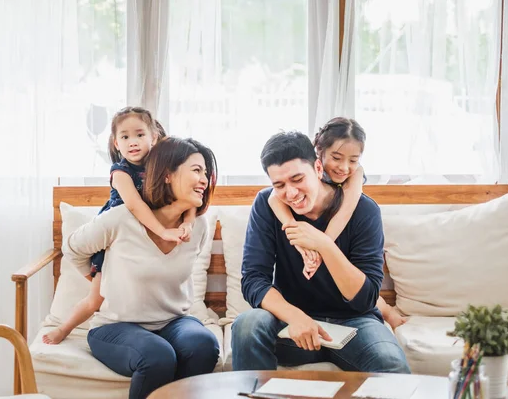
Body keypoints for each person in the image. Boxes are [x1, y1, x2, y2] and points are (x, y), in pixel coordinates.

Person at [231, 120, 410, 373]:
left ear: (317, 167)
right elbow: (253, 280)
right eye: (279, 185)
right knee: (247, 325)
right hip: (292, 321)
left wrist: (324, 246)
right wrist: (295, 316)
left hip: (355, 322)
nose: (291, 193)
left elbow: (365, 298)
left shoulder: (364, 210)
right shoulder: (266, 205)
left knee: (389, 361)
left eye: (297, 179)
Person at [59, 137, 220, 399]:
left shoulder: (198, 227)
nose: (204, 179)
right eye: (196, 170)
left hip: (173, 322)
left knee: (204, 345)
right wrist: (97, 278)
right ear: (167, 175)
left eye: (206, 173)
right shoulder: (121, 218)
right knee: (157, 355)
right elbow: (73, 249)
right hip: (115, 327)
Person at [43, 107, 195, 345]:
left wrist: (188, 222)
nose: (132, 142)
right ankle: (63, 329)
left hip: (141, 243)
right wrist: (163, 231)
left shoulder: (163, 169)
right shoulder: (120, 172)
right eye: (125, 137)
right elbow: (134, 205)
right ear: (116, 143)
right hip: (115, 237)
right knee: (96, 298)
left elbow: (190, 197)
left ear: (153, 137)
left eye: (139, 135)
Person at [268, 117, 406, 330]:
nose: (344, 167)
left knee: (352, 277)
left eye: (353, 160)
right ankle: (385, 308)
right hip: (310, 292)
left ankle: (386, 309)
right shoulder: (304, 175)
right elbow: (272, 199)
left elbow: (345, 212)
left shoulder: (354, 181)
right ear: (318, 152)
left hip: (345, 284)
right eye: (336, 158)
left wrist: (320, 245)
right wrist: (301, 242)